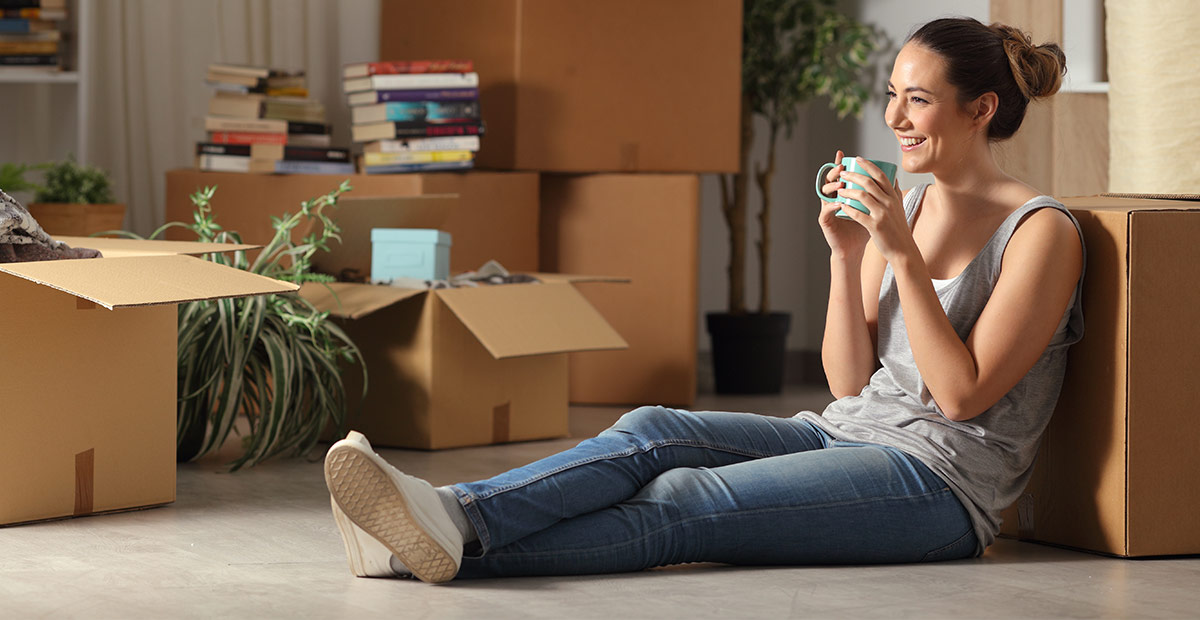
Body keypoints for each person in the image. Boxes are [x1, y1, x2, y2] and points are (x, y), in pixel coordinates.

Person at [322, 16, 1085, 584]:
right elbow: (849, 384)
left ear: (981, 109)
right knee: (654, 431)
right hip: (847, 432)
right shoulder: (912, 209)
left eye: (917, 101)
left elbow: (958, 397)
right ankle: (449, 516)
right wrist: (844, 255)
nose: (893, 120)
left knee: (685, 500)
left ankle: (418, 547)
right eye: (891, 96)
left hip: (940, 487)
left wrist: (899, 257)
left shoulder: (1040, 232)